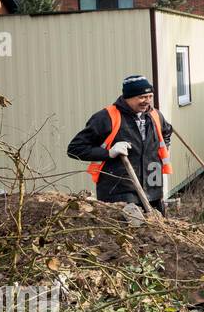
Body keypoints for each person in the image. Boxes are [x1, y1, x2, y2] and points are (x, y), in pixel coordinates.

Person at [68, 75, 174, 214]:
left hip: (153, 190)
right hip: (119, 194)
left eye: (150, 96)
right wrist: (109, 153)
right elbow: (75, 149)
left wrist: (164, 149)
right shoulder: (106, 117)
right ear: (128, 97)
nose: (147, 101)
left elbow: (166, 132)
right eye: (142, 97)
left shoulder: (154, 115)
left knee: (156, 232)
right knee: (129, 232)